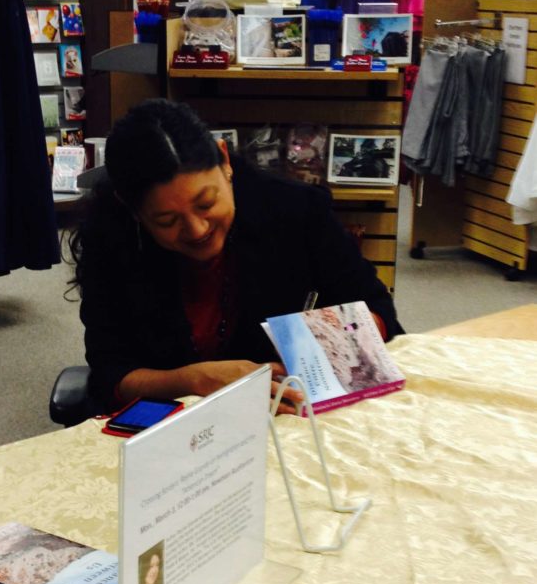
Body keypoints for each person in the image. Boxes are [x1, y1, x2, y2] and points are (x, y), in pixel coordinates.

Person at [70, 99, 403, 413]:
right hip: (176, 428)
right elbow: (110, 375)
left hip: (290, 421)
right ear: (133, 210)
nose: (197, 229)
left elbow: (378, 312)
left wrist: (322, 343)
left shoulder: (296, 211)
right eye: (167, 221)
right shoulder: (113, 240)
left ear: (225, 160)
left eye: (206, 203)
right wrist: (191, 381)